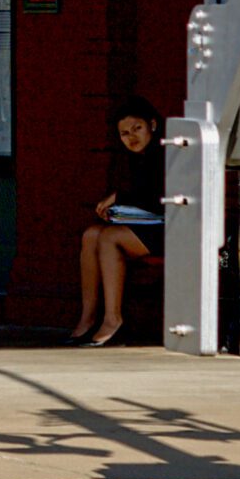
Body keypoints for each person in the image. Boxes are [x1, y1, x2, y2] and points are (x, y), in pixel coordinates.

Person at [69, 95, 165, 346]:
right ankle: (88, 317)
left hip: (168, 229)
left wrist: (119, 197)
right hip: (140, 227)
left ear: (152, 125)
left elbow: (159, 198)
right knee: (91, 234)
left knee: (110, 238)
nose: (132, 137)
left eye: (137, 129)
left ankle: (113, 319)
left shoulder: (168, 153)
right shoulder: (130, 159)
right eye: (124, 133)